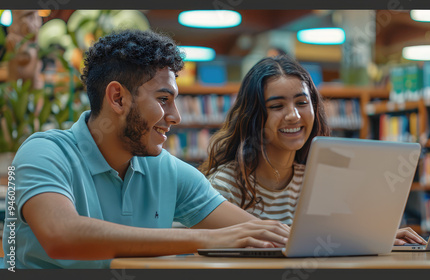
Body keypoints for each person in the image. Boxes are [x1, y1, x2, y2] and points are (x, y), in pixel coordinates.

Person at [2, 29, 289, 269]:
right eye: (164, 99)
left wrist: (288, 237)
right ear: (117, 98)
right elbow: (62, 235)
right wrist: (205, 239)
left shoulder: (166, 168)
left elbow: (256, 233)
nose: (176, 116)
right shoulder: (42, 153)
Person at [199, 55, 427, 246]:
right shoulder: (225, 185)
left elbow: (330, 242)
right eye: (277, 106)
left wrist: (372, 237)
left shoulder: (320, 180)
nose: (294, 116)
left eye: (301, 102)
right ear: (253, 117)